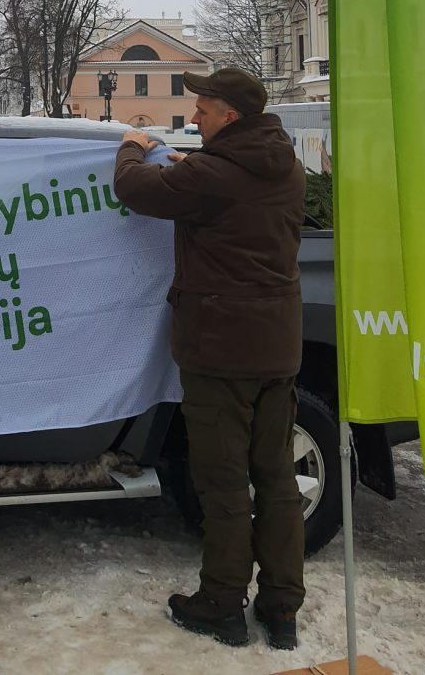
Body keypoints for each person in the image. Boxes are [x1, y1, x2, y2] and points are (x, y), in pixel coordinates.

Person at [113, 68, 305, 651]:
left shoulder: (215, 174)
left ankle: (221, 603)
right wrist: (188, 172)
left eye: (204, 109)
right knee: (276, 479)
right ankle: (281, 608)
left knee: (222, 483)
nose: (194, 118)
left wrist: (131, 147)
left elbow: (133, 190)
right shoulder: (285, 165)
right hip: (277, 346)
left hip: (221, 349)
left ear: (232, 118)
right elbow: (226, 198)